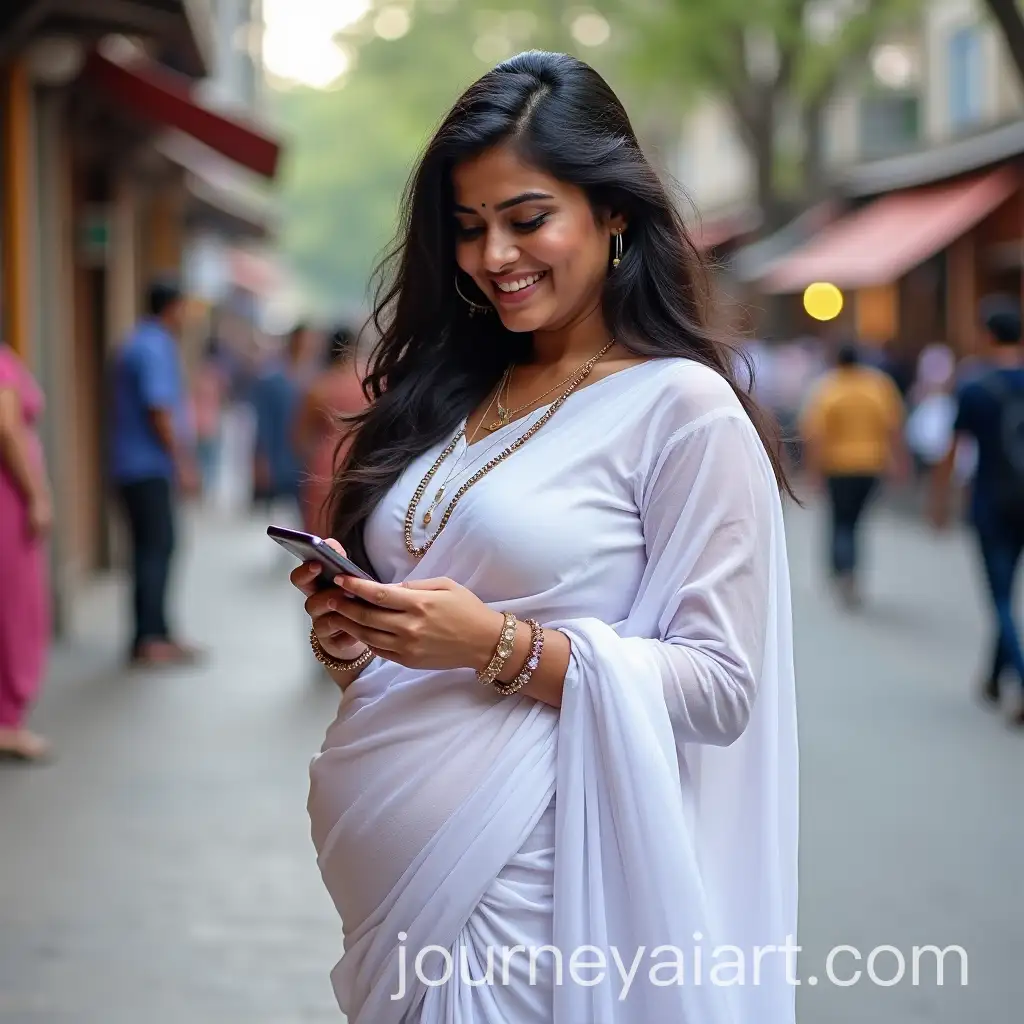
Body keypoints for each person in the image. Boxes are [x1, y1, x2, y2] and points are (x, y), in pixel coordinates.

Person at [289, 51, 799, 1023]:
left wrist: (494, 645)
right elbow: (435, 630)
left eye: (526, 219)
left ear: (613, 213)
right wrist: (359, 637)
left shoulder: (681, 409)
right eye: (469, 228)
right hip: (405, 900)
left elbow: (722, 687)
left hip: (548, 898)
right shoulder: (455, 391)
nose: (494, 257)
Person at [931, 296, 1024, 727]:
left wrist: (940, 499)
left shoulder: (974, 385)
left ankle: (1019, 680)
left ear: (988, 334)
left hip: (991, 500)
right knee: (1005, 593)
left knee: (1000, 596)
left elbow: (953, 449)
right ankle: (992, 678)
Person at [110, 278, 200, 667]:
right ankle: (150, 637)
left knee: (153, 548)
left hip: (133, 464)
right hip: (146, 466)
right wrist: (182, 462)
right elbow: (158, 409)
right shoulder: (153, 346)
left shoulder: (140, 341)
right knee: (156, 548)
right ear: (173, 307)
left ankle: (156, 632)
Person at [800, 342, 907, 608]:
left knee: (840, 521)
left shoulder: (827, 389)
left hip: (837, 466)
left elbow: (815, 434)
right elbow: (893, 426)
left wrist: (813, 472)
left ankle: (843, 572)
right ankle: (850, 572)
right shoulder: (878, 386)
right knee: (856, 521)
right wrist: (899, 462)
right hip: (871, 465)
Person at [0, 343, 53, 761]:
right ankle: (6, 722)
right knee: (14, 610)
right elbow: (6, 426)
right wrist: (36, 494)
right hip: (8, 500)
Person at [293, 324, 367, 536]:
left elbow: (299, 436)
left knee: (320, 530)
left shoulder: (319, 387)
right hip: (363, 462)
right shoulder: (370, 382)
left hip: (324, 464)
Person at [250, 323, 314, 517]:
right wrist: (260, 460)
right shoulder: (272, 378)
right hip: (279, 454)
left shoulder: (314, 376)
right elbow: (263, 422)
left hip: (304, 459)